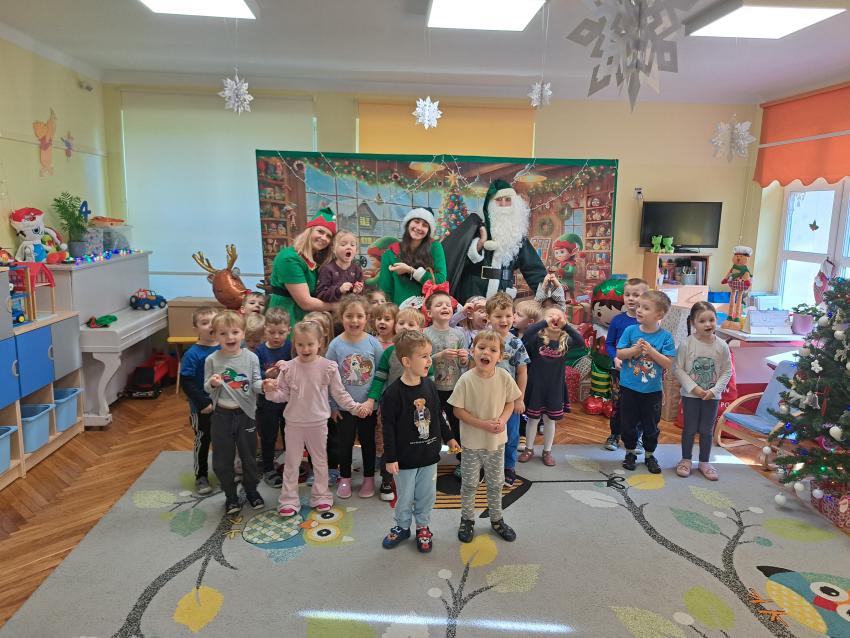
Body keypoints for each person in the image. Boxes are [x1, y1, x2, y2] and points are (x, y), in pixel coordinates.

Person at [263, 321, 363, 517]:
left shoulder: (327, 367)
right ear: (295, 344)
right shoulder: (288, 368)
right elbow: (282, 395)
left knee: (320, 461)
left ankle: (321, 495)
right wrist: (270, 390)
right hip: (294, 423)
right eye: (300, 344)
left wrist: (354, 407)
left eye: (310, 344)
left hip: (318, 423)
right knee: (291, 462)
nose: (305, 349)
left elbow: (339, 393)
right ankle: (288, 499)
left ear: (319, 343)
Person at [380, 331, 459, 552]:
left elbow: (438, 414)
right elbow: (388, 428)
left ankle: (423, 526)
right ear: (407, 362)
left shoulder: (430, 386)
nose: (429, 360)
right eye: (424, 356)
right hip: (404, 459)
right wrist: (390, 458)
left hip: (429, 456)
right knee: (404, 497)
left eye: (429, 355)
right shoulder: (393, 394)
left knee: (427, 496)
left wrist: (449, 437)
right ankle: (402, 526)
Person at [449, 330, 521, 544]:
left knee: (496, 483)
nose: (486, 353)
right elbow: (457, 410)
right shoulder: (466, 379)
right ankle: (467, 519)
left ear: (500, 356)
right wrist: (483, 424)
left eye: (492, 350)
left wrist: (503, 419)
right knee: (469, 484)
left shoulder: (504, 377)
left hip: (496, 444)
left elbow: (510, 402)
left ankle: (497, 519)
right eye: (481, 348)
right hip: (472, 444)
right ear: (473, 351)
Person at [442, 179, 546, 303]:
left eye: (508, 200)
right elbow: (457, 259)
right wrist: (479, 244)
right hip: (473, 294)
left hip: (502, 299)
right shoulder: (476, 229)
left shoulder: (517, 236)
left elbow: (534, 271)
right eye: (499, 200)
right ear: (490, 204)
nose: (503, 204)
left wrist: (548, 300)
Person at [203, 311, 264, 515]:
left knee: (249, 457)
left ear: (243, 333)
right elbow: (206, 387)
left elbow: (256, 383)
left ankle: (252, 491)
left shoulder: (251, 357)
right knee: (222, 459)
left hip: (245, 415)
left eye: (235, 332)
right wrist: (212, 383)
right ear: (215, 335)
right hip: (221, 416)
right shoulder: (212, 360)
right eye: (223, 333)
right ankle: (230, 496)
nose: (230, 337)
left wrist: (265, 385)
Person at [366, 307, 427, 500]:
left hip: (416, 407)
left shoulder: (423, 352)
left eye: (411, 324)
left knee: (414, 442)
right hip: (392, 406)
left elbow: (429, 379)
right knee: (389, 443)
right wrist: (373, 400)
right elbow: (379, 379)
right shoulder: (389, 352)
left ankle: (414, 479)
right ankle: (387, 480)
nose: (405, 327)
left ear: (421, 329)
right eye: (401, 323)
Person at [325, 295, 384, 498]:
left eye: (359, 316)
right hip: (344, 408)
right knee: (345, 443)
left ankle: (368, 478)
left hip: (368, 407)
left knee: (368, 443)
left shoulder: (373, 343)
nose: (354, 320)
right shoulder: (335, 345)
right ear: (341, 317)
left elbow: (380, 374)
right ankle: (345, 477)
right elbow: (329, 377)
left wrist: (374, 402)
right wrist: (333, 406)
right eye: (349, 316)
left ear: (367, 317)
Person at [617, 290, 676, 474]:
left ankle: (650, 455)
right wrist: (634, 351)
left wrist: (651, 351)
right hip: (629, 388)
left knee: (651, 425)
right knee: (628, 424)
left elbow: (668, 363)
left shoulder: (666, 337)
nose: (639, 310)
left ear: (659, 315)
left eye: (645, 308)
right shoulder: (630, 331)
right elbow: (620, 353)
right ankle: (630, 452)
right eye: (639, 306)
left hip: (652, 391)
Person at [517, 306, 584, 467]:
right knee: (532, 419)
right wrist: (543, 323)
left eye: (559, 316)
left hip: (555, 387)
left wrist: (566, 326)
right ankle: (529, 449)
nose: (554, 318)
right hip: (536, 387)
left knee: (550, 420)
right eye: (550, 316)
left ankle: (547, 451)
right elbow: (527, 334)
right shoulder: (537, 339)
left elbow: (581, 342)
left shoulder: (565, 341)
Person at [674, 302, 732, 481]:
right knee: (690, 428)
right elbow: (678, 368)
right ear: (693, 323)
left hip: (712, 397)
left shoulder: (722, 346)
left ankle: (704, 462)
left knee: (707, 430)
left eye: (711, 320)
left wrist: (714, 391)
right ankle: (686, 459)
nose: (708, 324)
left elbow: (727, 371)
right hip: (691, 395)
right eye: (702, 321)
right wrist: (694, 388)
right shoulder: (686, 344)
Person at [486, 292, 530, 486]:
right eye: (498, 316)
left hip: (509, 400)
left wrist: (520, 399)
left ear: (514, 316)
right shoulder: (482, 340)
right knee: (487, 433)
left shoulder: (516, 343)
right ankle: (487, 464)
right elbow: (472, 367)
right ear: (489, 317)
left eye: (508, 316)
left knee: (511, 435)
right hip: (486, 398)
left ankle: (509, 466)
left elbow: (522, 372)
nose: (503, 320)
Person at [424, 288, 468, 478]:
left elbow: (463, 364)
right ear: (429, 312)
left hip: (454, 387)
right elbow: (421, 360)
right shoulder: (425, 334)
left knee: (457, 423)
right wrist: (439, 355)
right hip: (431, 387)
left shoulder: (459, 334)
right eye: (439, 305)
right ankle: (430, 459)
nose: (445, 307)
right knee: (432, 423)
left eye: (448, 305)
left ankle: (461, 459)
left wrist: (464, 358)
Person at [268, 208, 337, 323]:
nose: (324, 238)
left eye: (328, 236)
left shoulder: (316, 261)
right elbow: (306, 303)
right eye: (320, 232)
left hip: (307, 321)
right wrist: (337, 306)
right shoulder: (289, 258)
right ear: (309, 231)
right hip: (285, 320)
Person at [603, 278, 649, 451]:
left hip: (640, 371)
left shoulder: (648, 322)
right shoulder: (617, 320)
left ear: (645, 297)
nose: (630, 298)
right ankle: (614, 435)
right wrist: (615, 358)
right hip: (619, 370)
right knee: (618, 404)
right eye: (627, 294)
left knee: (640, 405)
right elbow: (609, 343)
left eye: (636, 295)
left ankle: (636, 437)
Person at [179, 306, 219, 495]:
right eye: (204, 323)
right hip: (201, 408)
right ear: (196, 328)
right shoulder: (192, 353)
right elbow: (186, 382)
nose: (210, 326)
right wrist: (203, 402)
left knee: (224, 439)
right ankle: (201, 475)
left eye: (213, 322)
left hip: (223, 405)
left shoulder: (225, 348)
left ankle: (224, 470)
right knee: (203, 440)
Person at [378, 207, 447, 306]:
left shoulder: (435, 247)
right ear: (408, 223)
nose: (419, 228)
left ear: (428, 230)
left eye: (425, 225)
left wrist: (411, 271)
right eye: (416, 221)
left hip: (428, 311)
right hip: (401, 312)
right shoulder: (391, 253)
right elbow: (385, 291)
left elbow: (440, 280)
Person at [255, 308, 292, 487]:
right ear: (265, 330)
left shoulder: (291, 347)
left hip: (288, 402)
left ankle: (291, 466)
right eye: (272, 332)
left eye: (281, 332)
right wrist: (266, 375)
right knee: (268, 436)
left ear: (289, 331)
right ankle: (268, 468)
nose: (276, 336)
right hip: (267, 403)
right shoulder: (260, 351)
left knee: (290, 435)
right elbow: (255, 374)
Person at [316, 230, 364, 302]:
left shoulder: (357, 269)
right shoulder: (327, 269)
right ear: (334, 249)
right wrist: (339, 290)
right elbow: (320, 294)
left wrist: (357, 291)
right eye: (343, 244)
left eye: (352, 245)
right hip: (331, 308)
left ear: (356, 250)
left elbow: (361, 296)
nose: (349, 247)